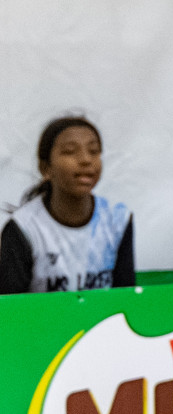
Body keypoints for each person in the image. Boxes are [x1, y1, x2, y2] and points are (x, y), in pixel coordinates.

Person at [0, 113, 135, 295]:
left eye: (94, 151)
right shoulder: (24, 228)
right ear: (46, 168)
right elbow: (11, 309)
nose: (86, 160)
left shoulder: (117, 220)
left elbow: (125, 296)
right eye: (70, 151)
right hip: (43, 323)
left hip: (101, 323)